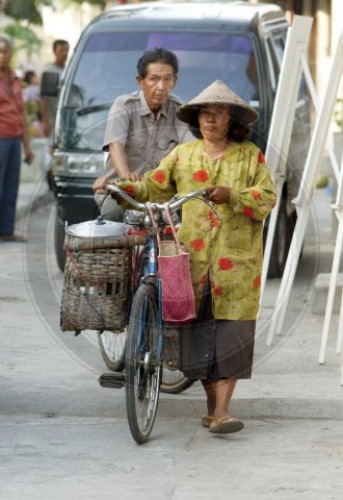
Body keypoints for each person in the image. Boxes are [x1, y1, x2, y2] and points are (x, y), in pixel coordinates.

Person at [110, 80, 277, 434]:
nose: (210, 120)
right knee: (200, 339)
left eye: (218, 114)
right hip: (195, 261)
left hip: (238, 263)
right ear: (197, 120)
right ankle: (213, 410)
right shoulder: (183, 156)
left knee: (232, 334)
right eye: (205, 114)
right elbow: (152, 184)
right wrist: (120, 186)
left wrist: (233, 194)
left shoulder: (250, 155)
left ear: (231, 119)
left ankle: (222, 412)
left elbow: (267, 198)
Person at [92, 47, 194, 221]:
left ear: (174, 81)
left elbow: (191, 150)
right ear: (140, 81)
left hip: (163, 196)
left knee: (189, 221)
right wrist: (126, 177)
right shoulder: (125, 105)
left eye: (167, 79)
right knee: (112, 215)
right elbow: (115, 145)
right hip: (120, 189)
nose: (161, 87)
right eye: (154, 79)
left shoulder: (179, 110)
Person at [0, 34, 34, 243]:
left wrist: (27, 146)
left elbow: (22, 114)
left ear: (11, 54)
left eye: (5, 51)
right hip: (1, 137)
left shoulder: (14, 77)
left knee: (11, 186)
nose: (2, 55)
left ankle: (6, 231)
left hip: (14, 138)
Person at [40, 39, 70, 139]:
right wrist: (45, 122)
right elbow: (44, 99)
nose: (64, 53)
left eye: (66, 50)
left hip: (66, 120)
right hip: (52, 121)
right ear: (54, 51)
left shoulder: (69, 71)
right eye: (61, 50)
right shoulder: (49, 71)